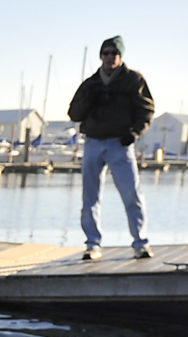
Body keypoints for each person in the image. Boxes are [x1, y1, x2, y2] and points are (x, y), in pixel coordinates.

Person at [68, 35, 155, 261]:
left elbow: (146, 109)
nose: (109, 57)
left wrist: (135, 133)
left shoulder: (133, 80)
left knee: (132, 195)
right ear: (101, 56)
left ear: (120, 56)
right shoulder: (91, 83)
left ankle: (140, 243)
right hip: (93, 143)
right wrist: (90, 99)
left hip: (120, 144)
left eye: (114, 53)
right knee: (90, 198)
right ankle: (92, 245)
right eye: (105, 53)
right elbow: (74, 113)